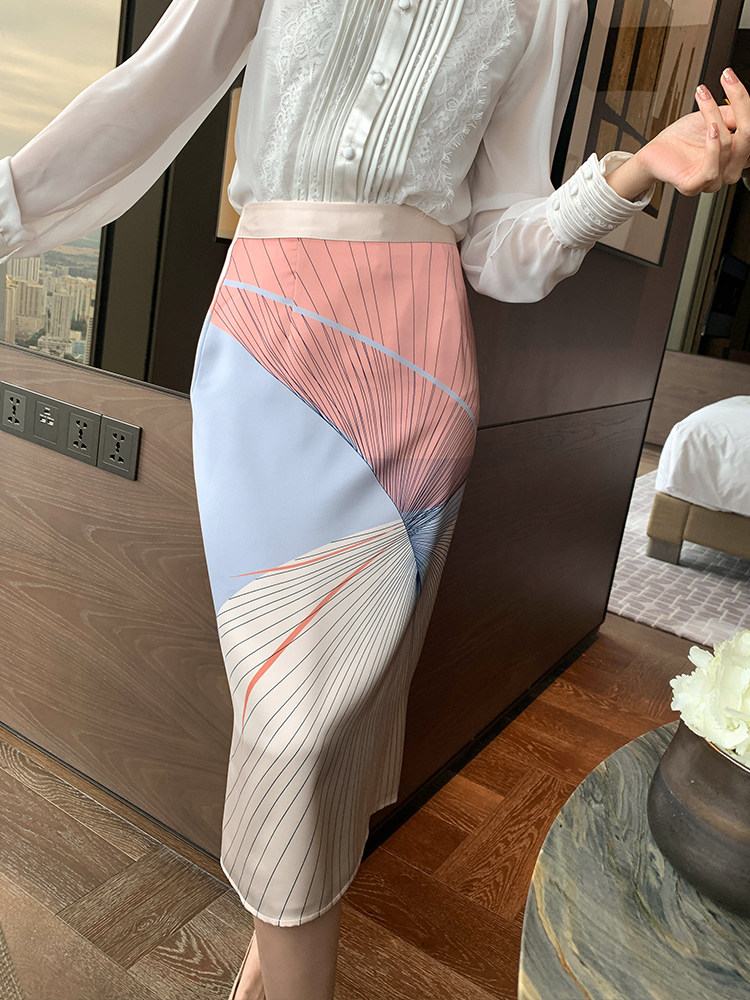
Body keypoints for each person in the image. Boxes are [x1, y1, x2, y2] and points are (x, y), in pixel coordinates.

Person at [2, 2, 749, 998]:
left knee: (329, 717)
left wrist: (635, 171)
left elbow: (500, 248)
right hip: (268, 349)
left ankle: (284, 951)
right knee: (287, 720)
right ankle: (293, 950)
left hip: (419, 377)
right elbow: (155, 89)